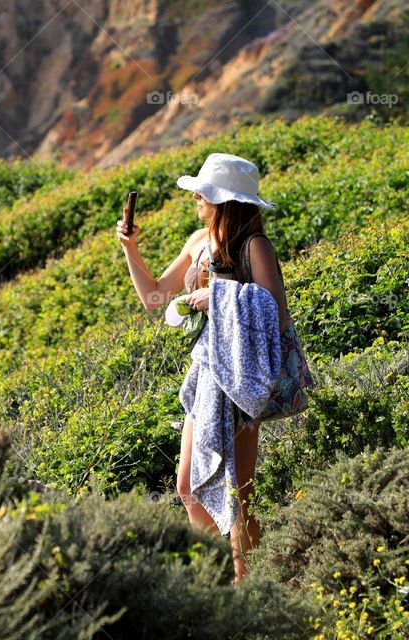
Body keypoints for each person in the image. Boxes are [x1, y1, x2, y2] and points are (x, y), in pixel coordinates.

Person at [115, 152, 290, 585]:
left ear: (224, 200)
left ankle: (246, 586)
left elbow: (276, 311)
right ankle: (221, 578)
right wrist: (130, 249)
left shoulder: (255, 246)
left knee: (237, 495)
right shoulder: (198, 240)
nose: (195, 196)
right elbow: (155, 297)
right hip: (207, 370)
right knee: (188, 488)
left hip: (242, 375)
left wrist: (219, 299)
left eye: (204, 192)